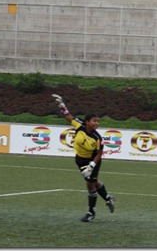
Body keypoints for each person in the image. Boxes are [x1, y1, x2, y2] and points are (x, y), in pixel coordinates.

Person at [52, 94, 115, 222]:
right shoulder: (79, 125)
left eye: (98, 121)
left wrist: (91, 166)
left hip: (93, 161)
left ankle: (91, 212)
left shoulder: (98, 138)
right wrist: (62, 106)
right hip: (79, 159)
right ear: (87, 122)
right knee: (94, 182)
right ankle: (108, 197)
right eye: (94, 121)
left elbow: (99, 154)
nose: (97, 123)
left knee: (90, 185)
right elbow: (69, 117)